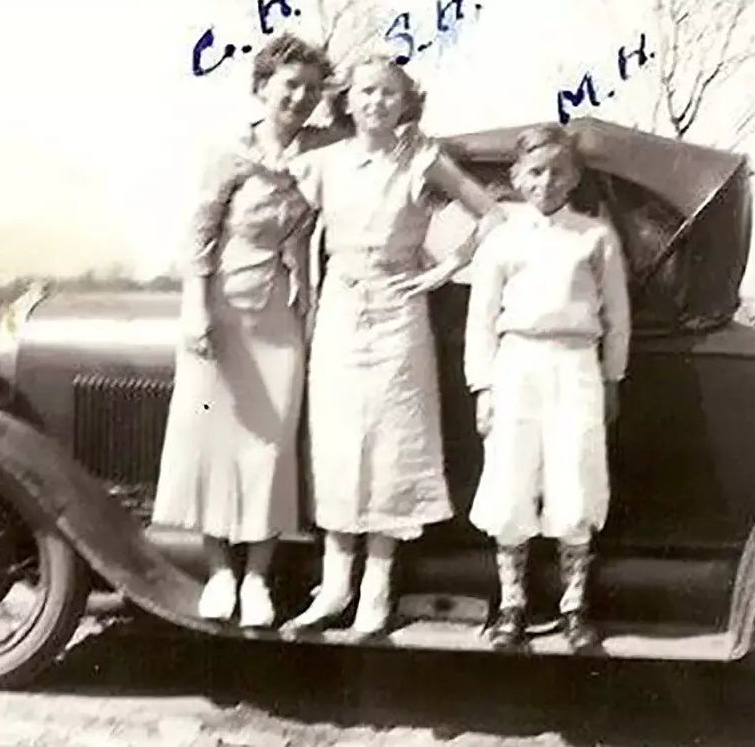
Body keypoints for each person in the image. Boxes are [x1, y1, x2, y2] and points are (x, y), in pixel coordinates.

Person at [280, 53, 504, 635]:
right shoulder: (323, 162)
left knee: (390, 449)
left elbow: (492, 215)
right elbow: (287, 225)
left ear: (405, 102)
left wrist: (442, 270)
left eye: (388, 93)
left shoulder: (421, 159)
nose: (376, 102)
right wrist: (301, 282)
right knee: (336, 444)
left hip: (400, 314)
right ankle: (333, 589)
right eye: (366, 91)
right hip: (339, 312)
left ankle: (375, 596)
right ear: (347, 100)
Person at [149, 33, 349, 629]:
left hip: (281, 316)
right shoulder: (229, 155)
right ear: (263, 88)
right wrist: (194, 309)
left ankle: (258, 576)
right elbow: (199, 235)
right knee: (215, 442)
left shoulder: (320, 152)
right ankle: (218, 573)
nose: (300, 97)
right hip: (223, 309)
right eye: (290, 85)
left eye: (312, 89)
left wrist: (310, 310)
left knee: (268, 446)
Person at [462, 124, 631, 652]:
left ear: (575, 176)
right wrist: (483, 386)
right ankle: (512, 605)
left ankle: (574, 605)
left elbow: (618, 315)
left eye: (559, 171)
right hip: (516, 362)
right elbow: (481, 317)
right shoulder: (502, 238)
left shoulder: (594, 236)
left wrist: (612, 377)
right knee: (511, 479)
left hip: (576, 362)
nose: (547, 181)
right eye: (535, 171)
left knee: (575, 479)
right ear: (516, 177)